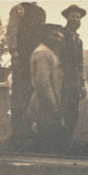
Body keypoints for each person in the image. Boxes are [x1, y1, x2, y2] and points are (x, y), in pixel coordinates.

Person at [6, 1, 47, 145]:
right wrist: (15, 55)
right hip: (21, 60)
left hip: (34, 61)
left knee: (32, 94)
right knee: (19, 94)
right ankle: (18, 132)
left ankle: (27, 129)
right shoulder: (19, 9)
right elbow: (12, 32)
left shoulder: (41, 12)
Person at [27, 24, 67, 152]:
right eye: (55, 35)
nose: (58, 39)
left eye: (60, 36)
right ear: (45, 35)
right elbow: (43, 82)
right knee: (48, 146)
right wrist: (54, 107)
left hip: (49, 106)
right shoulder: (43, 53)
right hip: (45, 106)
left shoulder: (49, 53)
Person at [57, 4, 86, 143]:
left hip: (74, 84)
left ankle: (66, 144)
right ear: (67, 17)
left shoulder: (79, 41)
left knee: (72, 115)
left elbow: (80, 65)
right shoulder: (60, 36)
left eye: (78, 17)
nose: (76, 19)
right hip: (62, 82)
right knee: (59, 113)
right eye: (73, 16)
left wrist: (82, 85)